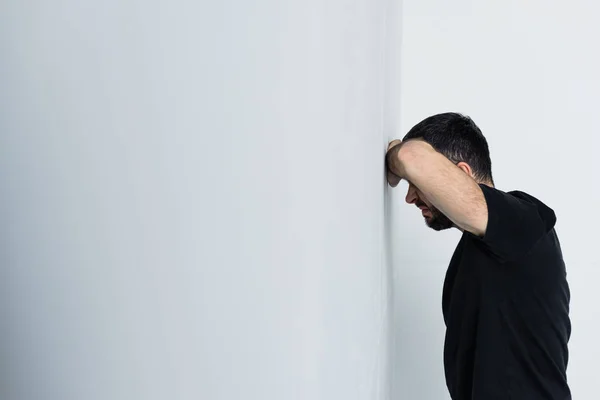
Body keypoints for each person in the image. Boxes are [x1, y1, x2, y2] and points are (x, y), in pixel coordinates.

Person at [385, 112, 571, 400]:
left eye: (415, 184)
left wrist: (397, 154)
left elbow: (412, 156)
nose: (410, 197)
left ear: (462, 172)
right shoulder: (479, 248)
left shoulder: (524, 219)